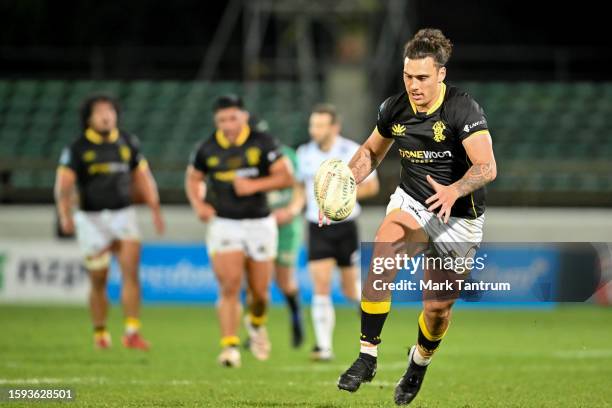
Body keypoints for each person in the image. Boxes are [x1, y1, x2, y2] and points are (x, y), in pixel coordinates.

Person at [335, 28, 497, 406]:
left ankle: (418, 364)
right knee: (383, 253)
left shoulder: (462, 108)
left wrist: (454, 190)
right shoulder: (395, 108)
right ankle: (366, 356)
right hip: (412, 204)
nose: (414, 85)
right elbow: (370, 154)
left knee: (437, 309)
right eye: (408, 76)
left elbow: (487, 167)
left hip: (459, 217)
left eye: (422, 77)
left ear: (440, 74)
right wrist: (342, 189)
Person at [185, 95, 294, 367]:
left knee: (260, 293)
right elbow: (193, 177)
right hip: (224, 222)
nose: (228, 124)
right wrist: (199, 204)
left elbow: (286, 176)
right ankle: (229, 346)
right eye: (222, 119)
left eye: (232, 118)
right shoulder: (207, 148)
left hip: (260, 222)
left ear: (244, 117)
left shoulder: (262, 142)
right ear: (216, 121)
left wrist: (253, 186)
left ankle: (256, 324)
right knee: (230, 285)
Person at [55, 94, 165, 351]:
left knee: (130, 272)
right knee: (98, 278)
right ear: (89, 118)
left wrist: (155, 209)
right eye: (100, 112)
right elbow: (64, 184)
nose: (106, 116)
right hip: (90, 218)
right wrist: (65, 214)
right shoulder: (77, 148)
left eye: (110, 111)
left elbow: (143, 177)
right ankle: (101, 331)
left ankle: (132, 331)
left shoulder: (128, 142)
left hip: (123, 215)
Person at [295, 103, 379, 361]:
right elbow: (301, 189)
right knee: (320, 285)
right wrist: (293, 209)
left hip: (345, 227)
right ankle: (323, 347)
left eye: (320, 125)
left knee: (349, 288)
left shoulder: (351, 150)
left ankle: (371, 320)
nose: (314, 130)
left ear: (334, 127)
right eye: (313, 124)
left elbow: (371, 187)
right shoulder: (304, 153)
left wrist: (341, 198)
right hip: (317, 226)